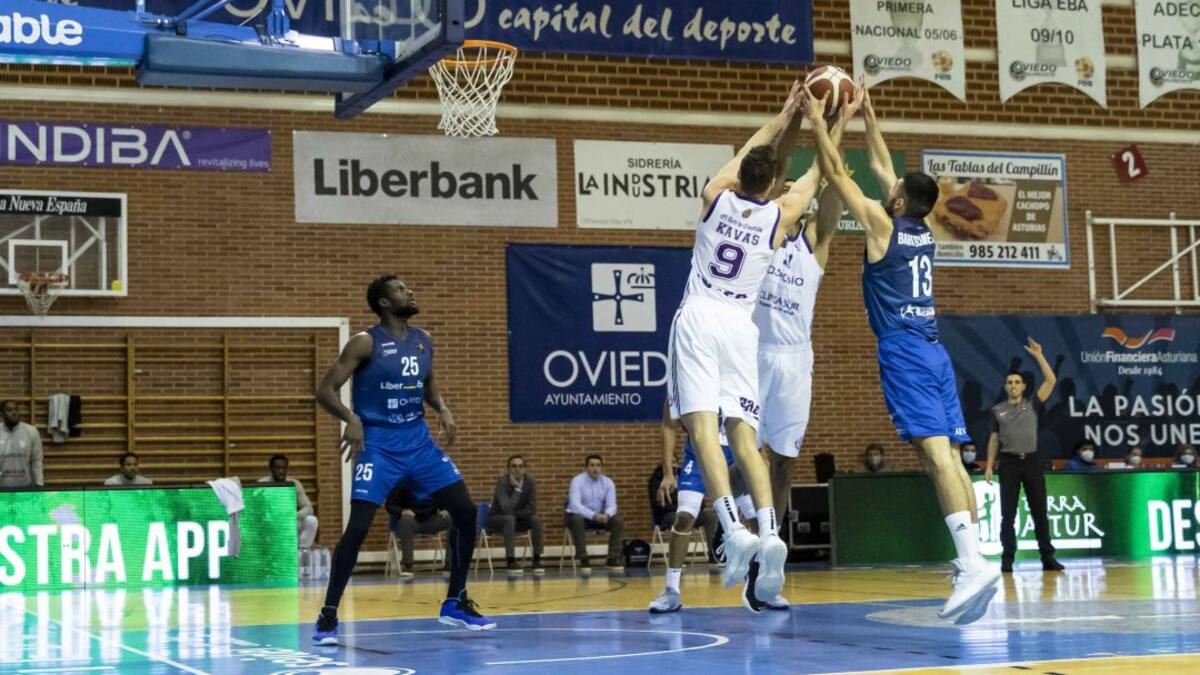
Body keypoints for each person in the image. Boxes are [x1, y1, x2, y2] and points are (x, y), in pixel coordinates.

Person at [802, 81, 999, 625]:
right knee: (950, 459)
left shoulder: (883, 224)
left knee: (934, 458)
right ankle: (975, 558)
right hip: (935, 351)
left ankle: (971, 561)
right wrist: (869, 114)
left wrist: (821, 121)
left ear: (895, 201)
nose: (886, 188)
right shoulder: (921, 229)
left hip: (906, 351)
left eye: (890, 189)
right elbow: (886, 166)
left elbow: (840, 175)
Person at [667, 79, 843, 603]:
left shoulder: (713, 199)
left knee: (703, 431)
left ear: (739, 177)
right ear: (772, 188)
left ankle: (734, 528)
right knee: (747, 437)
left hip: (700, 316)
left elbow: (751, 153)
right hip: (742, 327)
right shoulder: (779, 219)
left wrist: (785, 111)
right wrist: (827, 118)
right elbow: (818, 174)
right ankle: (769, 532)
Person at [312, 275, 492, 645]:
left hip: (419, 443)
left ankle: (455, 601)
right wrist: (352, 418)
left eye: (408, 287)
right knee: (359, 527)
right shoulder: (365, 342)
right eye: (399, 289)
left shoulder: (424, 340)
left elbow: (427, 385)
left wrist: (442, 407)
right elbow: (325, 390)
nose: (409, 291)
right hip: (379, 444)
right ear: (382, 303)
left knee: (465, 511)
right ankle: (328, 614)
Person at [753, 181, 843, 532]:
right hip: (754, 355)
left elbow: (833, 205)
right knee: (742, 456)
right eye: (786, 188)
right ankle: (741, 529)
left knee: (783, 462)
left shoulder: (814, 240)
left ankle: (771, 539)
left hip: (794, 359)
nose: (793, 193)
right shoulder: (761, 233)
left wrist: (831, 160)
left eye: (799, 189)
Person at [649, 401, 770, 614]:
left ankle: (763, 584)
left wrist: (761, 460)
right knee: (684, 517)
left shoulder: (738, 375)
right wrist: (668, 473)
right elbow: (668, 425)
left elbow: (756, 425)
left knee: (755, 519)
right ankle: (671, 589)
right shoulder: (685, 376)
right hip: (697, 455)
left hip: (735, 453)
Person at [983, 338, 1064, 574]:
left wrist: (1039, 355)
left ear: (1024, 386)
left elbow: (1051, 380)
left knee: (1040, 512)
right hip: (1008, 464)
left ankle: (1048, 558)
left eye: (1017, 382)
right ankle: (1007, 559)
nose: (1013, 385)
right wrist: (989, 466)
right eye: (1009, 382)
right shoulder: (997, 410)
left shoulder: (1032, 405)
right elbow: (993, 439)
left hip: (1031, 461)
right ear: (1006, 386)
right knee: (1007, 514)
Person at [565, 455, 625, 572]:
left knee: (617, 521)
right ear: (586, 467)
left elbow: (612, 505)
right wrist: (593, 515)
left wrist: (607, 515)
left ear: (602, 467)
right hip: (580, 518)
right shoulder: (577, 481)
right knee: (577, 519)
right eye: (592, 465)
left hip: (600, 517)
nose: (595, 469)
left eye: (598, 465)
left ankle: (612, 558)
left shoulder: (608, 482)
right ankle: (583, 558)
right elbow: (575, 505)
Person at [488, 454, 544, 574]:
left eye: (520, 466)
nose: (517, 469)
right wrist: (517, 489)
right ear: (508, 469)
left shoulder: (530, 482)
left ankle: (537, 558)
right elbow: (505, 509)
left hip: (518, 519)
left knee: (535, 519)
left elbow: (532, 508)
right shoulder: (502, 482)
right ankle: (511, 560)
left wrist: (515, 514)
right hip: (497, 519)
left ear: (525, 469)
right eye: (513, 466)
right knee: (509, 519)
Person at [386, 482, 450, 578]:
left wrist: (445, 508)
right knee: (406, 519)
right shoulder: (402, 483)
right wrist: (402, 511)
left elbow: (442, 500)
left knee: (451, 519)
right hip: (411, 521)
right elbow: (389, 505)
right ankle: (408, 566)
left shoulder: (433, 482)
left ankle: (450, 564)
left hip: (430, 521)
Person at [258, 454, 318, 548]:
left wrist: (294, 516)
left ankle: (302, 550)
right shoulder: (262, 484)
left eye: (283, 468)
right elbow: (256, 510)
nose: (281, 471)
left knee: (311, 520)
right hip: (270, 527)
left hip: (290, 524)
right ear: (271, 468)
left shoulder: (295, 484)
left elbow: (309, 508)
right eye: (277, 468)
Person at [0, 400, 43, 488]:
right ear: (2, 414)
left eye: (16, 409)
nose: (14, 412)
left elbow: (37, 460)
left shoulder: (31, 431)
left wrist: (39, 483)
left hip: (25, 487)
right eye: (9, 410)